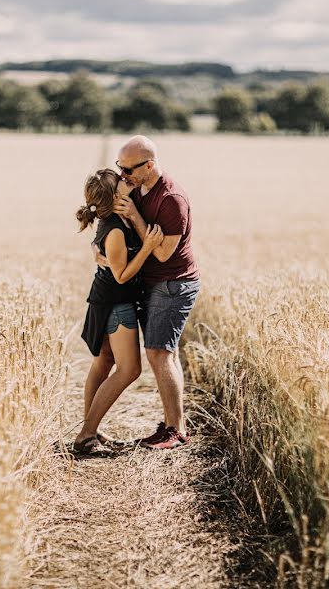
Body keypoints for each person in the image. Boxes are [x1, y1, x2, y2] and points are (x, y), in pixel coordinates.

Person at [109, 135, 201, 450]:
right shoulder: (141, 186)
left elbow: (162, 254)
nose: (124, 176)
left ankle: (174, 431)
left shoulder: (171, 199)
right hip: (158, 282)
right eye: (119, 168)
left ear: (149, 165)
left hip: (173, 283)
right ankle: (174, 424)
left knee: (159, 353)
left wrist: (134, 215)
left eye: (129, 170)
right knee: (166, 354)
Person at [74, 168, 164, 455]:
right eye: (122, 181)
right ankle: (86, 435)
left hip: (107, 299)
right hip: (115, 303)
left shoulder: (119, 218)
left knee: (103, 364)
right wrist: (148, 246)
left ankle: (91, 431)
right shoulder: (114, 228)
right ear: (114, 197)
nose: (128, 181)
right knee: (130, 369)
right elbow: (122, 275)